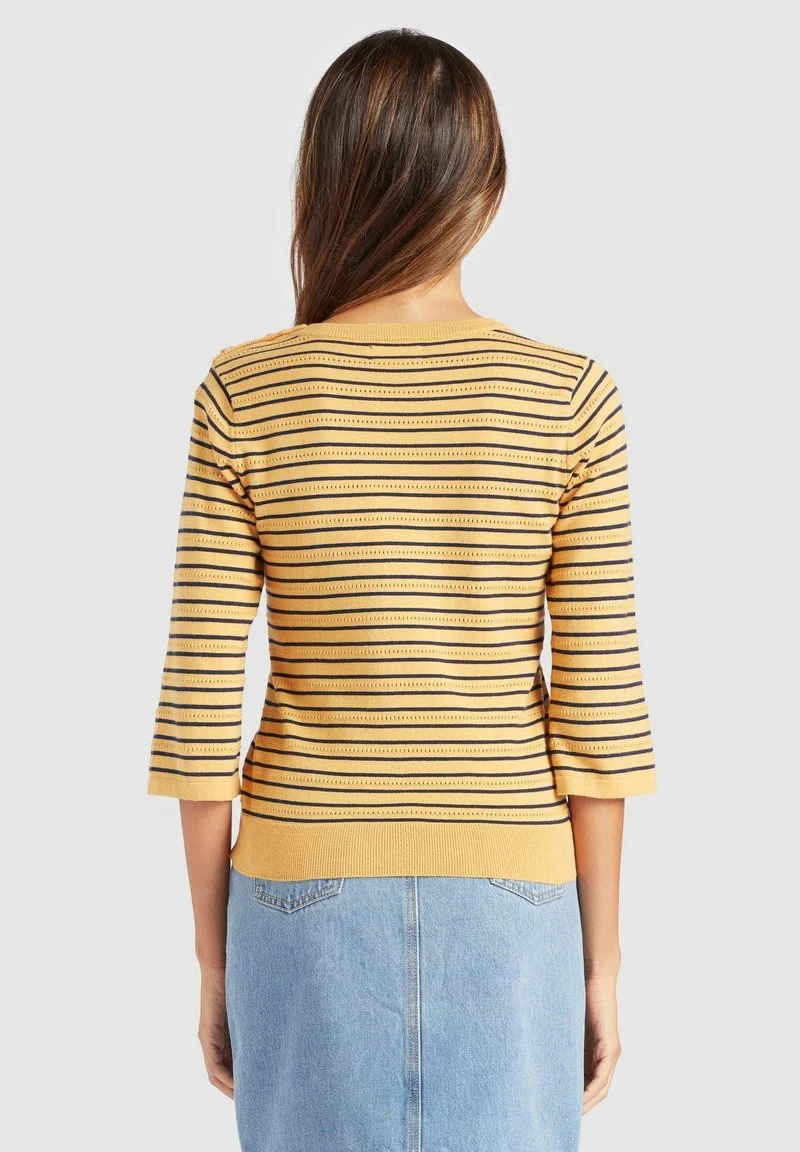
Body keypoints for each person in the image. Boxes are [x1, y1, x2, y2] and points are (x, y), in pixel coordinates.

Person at [147, 27, 656, 1152]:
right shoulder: (568, 396)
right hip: (516, 892)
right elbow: (600, 714)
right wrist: (602, 963)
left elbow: (198, 714)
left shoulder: (244, 390)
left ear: (326, 179)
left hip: (297, 887)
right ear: (484, 184)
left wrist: (212, 959)